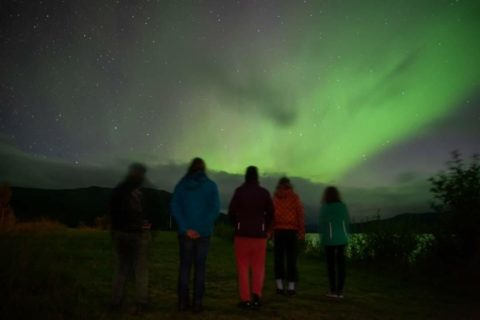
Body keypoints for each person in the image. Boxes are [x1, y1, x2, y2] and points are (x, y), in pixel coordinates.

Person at [170, 158, 220, 314]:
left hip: (185, 234)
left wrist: (185, 228)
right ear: (204, 169)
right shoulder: (211, 186)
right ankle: (197, 303)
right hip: (203, 234)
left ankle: (182, 303)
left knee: (185, 267)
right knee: (200, 268)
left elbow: (174, 206)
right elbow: (215, 210)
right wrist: (201, 228)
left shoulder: (181, 185)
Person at [228, 166, 274, 310]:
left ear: (246, 176)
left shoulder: (239, 192)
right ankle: (256, 296)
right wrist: (266, 229)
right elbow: (272, 213)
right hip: (259, 237)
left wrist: (237, 225)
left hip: (242, 235)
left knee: (242, 268)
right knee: (258, 267)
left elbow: (231, 212)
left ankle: (245, 299)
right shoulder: (264, 193)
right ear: (257, 177)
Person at [110, 163, 151, 314]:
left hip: (120, 234)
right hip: (137, 234)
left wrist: (115, 231)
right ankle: (141, 303)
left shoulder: (119, 189)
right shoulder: (139, 192)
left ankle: (115, 302)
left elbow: (113, 213)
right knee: (140, 270)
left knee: (121, 270)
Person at [272, 177, 305, 296]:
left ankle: (279, 286)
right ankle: (291, 287)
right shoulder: (295, 197)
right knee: (291, 259)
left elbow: (271, 216)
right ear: (289, 184)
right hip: (292, 231)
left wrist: (269, 233)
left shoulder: (275, 198)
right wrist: (301, 232)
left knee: (278, 259)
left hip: (279, 231)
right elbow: (300, 214)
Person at [319, 186, 350, 299]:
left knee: (331, 266)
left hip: (329, 240)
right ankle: (340, 291)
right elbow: (347, 221)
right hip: (342, 238)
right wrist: (346, 235)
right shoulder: (342, 206)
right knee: (341, 266)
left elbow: (322, 224)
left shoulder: (325, 207)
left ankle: (333, 290)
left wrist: (322, 240)